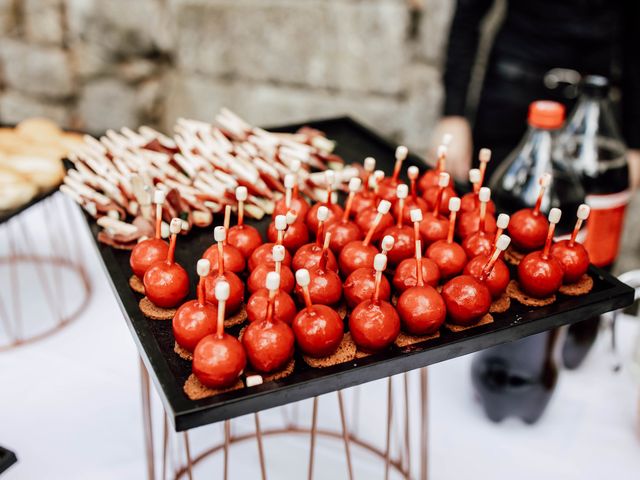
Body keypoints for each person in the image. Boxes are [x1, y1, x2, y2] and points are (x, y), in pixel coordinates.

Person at [432, 0, 640, 187]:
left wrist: (634, 144)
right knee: (488, 215)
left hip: (591, 110)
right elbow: (467, 16)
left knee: (579, 224)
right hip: (511, 98)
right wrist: (453, 115)